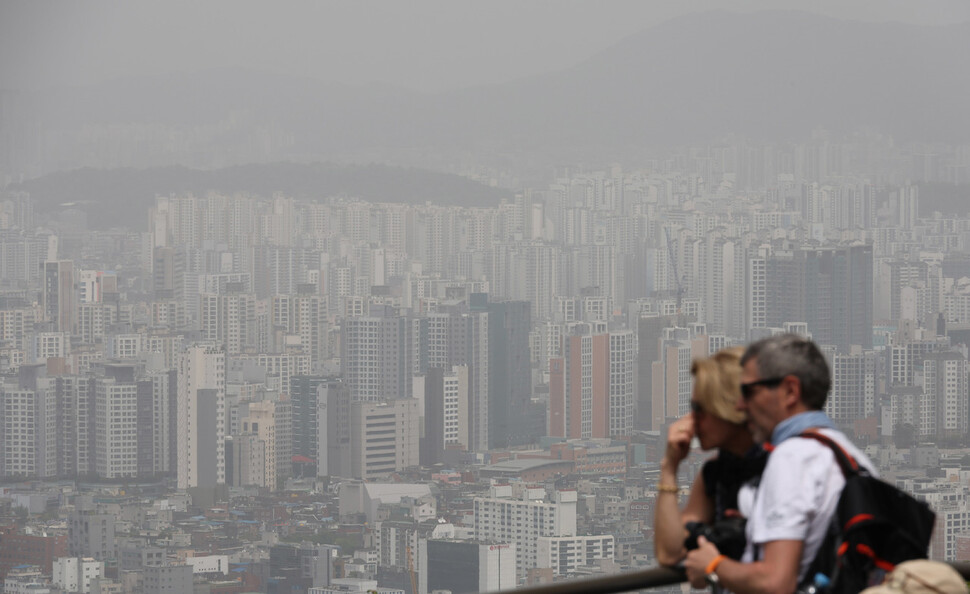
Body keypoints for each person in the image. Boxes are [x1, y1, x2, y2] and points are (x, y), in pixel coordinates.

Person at [684, 334, 876, 594]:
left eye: (748, 392)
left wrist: (714, 564)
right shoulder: (849, 455)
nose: (740, 405)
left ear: (790, 391)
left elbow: (775, 582)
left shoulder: (792, 457)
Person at [654, 347, 766, 567]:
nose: (692, 419)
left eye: (699, 408)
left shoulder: (783, 464)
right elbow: (670, 553)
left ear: (727, 407)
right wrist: (669, 468)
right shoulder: (718, 472)